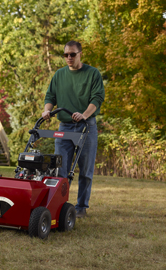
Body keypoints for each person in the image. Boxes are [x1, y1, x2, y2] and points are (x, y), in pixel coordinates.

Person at [42, 40, 105, 218]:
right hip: (64, 127)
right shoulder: (59, 75)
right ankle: (59, 207)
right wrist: (47, 110)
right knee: (60, 169)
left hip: (87, 127)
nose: (69, 58)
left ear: (80, 54)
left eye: (72, 54)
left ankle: (81, 208)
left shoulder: (92, 73)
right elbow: (50, 96)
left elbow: (97, 98)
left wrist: (84, 114)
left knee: (85, 170)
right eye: (66, 55)